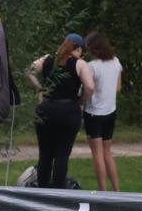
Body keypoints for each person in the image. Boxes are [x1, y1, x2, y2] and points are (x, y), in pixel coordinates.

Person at [25, 33, 95, 189]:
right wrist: (81, 101)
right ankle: (58, 191)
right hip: (68, 110)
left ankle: (42, 189)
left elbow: (28, 71)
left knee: (45, 154)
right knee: (62, 153)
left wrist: (40, 89)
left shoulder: (48, 59)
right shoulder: (80, 64)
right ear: (77, 49)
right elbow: (90, 87)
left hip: (46, 109)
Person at [83, 30, 122, 191]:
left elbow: (89, 89)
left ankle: (102, 191)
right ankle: (117, 190)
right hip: (110, 112)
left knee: (97, 154)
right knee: (108, 152)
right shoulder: (116, 62)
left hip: (94, 114)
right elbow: (118, 88)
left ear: (93, 48)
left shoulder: (91, 66)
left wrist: (82, 102)